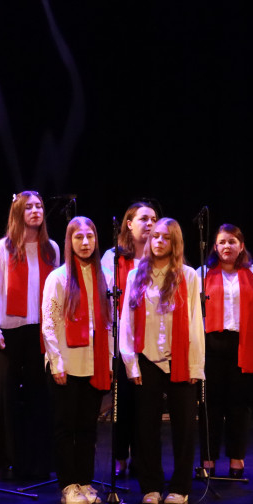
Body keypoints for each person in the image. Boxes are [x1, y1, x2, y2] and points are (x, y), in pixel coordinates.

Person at [120, 218, 205, 504]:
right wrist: (131, 363)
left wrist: (196, 365)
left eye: (164, 238)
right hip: (147, 359)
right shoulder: (136, 275)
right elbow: (127, 323)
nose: (157, 242)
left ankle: (180, 487)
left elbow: (195, 323)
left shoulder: (189, 276)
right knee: (146, 427)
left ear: (174, 243)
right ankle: (151, 485)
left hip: (180, 358)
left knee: (184, 426)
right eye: (154, 236)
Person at [0, 191, 60, 480]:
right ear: (18, 213)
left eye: (39, 206)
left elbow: (55, 295)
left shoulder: (50, 248)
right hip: (9, 331)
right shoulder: (4, 248)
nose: (36, 211)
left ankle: (38, 460)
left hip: (40, 331)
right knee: (7, 395)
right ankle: (7, 459)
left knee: (40, 395)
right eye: (29, 207)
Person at [42, 217, 112, 504]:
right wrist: (56, 362)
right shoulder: (58, 277)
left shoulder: (104, 275)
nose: (85, 243)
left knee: (88, 427)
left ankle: (85, 480)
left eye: (90, 237)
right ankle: (68, 484)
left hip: (94, 362)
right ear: (69, 242)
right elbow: (49, 322)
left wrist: (108, 361)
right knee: (65, 426)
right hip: (66, 363)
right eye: (78, 238)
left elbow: (108, 323)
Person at [198, 223, 253, 479]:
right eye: (222, 242)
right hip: (210, 346)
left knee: (239, 406)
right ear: (215, 246)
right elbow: (193, 314)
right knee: (210, 406)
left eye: (232, 241)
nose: (227, 246)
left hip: (243, 345)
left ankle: (236, 461)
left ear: (241, 246)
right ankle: (207, 462)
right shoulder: (203, 274)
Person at [101, 201, 157, 478]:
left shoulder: (160, 257)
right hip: (122, 340)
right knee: (122, 402)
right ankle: (120, 456)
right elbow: (105, 300)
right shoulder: (113, 257)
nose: (150, 224)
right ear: (129, 223)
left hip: (152, 342)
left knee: (146, 404)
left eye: (154, 219)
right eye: (144, 219)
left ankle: (142, 457)